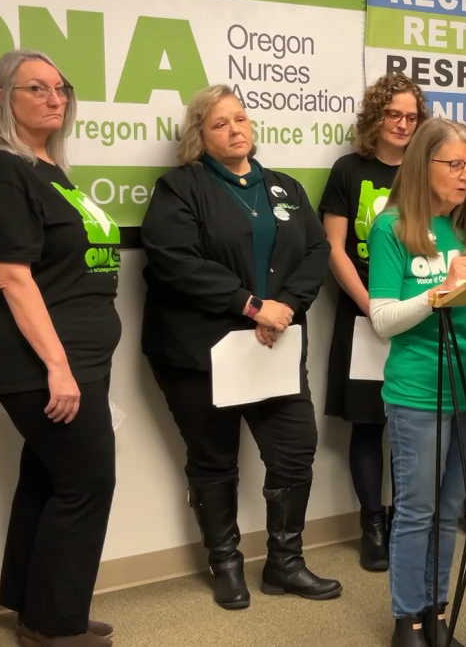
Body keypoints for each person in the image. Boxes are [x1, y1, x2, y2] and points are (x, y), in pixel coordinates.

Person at [141, 85, 339, 611]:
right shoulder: (180, 188)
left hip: (274, 347)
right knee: (213, 459)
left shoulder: (284, 188)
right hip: (198, 353)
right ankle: (226, 564)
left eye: (241, 119)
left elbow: (316, 251)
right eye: (220, 124)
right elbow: (173, 260)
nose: (236, 130)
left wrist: (285, 308)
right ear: (199, 137)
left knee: (296, 450)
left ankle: (285, 563)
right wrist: (253, 305)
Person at [0, 50, 120, 647]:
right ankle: (55, 627)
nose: (56, 98)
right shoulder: (4, 169)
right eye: (38, 88)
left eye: (61, 88)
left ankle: (36, 605)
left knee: (50, 475)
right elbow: (11, 276)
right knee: (86, 482)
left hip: (78, 350)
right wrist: (57, 365)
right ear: (3, 98)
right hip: (37, 353)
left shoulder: (49, 168)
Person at [368, 118, 466, 647]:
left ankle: (436, 613)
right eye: (455, 164)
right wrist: (440, 293)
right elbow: (382, 319)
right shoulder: (393, 228)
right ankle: (407, 620)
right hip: (419, 391)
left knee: (450, 510)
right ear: (423, 164)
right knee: (417, 510)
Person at [320, 73, 429, 572]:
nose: (404, 124)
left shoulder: (431, 171)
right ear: (375, 119)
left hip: (423, 314)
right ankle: (373, 523)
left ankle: (408, 518)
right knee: (369, 425)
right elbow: (334, 250)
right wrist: (372, 307)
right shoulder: (349, 171)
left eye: (412, 116)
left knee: (414, 423)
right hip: (364, 312)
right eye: (394, 115)